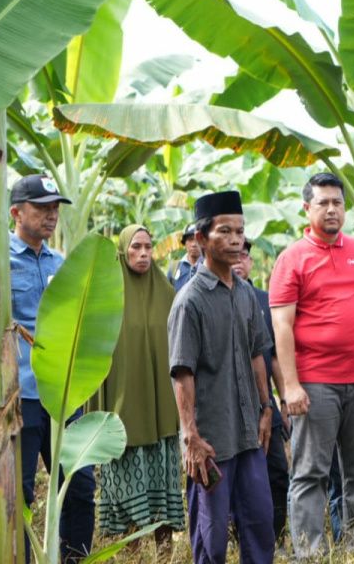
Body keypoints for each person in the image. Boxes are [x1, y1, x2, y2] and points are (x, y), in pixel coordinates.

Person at [270, 173, 354, 559]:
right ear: (307, 208)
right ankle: (310, 553)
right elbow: (282, 326)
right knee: (310, 473)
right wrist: (290, 386)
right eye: (323, 202)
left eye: (337, 202)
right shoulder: (292, 258)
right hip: (315, 383)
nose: (332, 209)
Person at [167, 190, 275, 564]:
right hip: (211, 439)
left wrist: (266, 407)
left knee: (260, 524)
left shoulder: (245, 293)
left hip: (248, 432)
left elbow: (257, 353)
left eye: (240, 232)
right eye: (225, 231)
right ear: (201, 238)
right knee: (211, 540)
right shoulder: (190, 301)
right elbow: (182, 372)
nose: (235, 240)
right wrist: (190, 435)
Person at [10, 173, 95, 563]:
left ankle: (74, 558)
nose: (51, 215)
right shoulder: (1, 260)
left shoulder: (62, 264)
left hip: (62, 394)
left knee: (79, 485)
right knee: (22, 492)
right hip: (22, 393)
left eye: (55, 208)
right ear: (16, 212)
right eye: (42, 208)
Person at [91, 225, 184, 553]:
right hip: (124, 415)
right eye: (136, 247)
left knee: (162, 490)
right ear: (122, 251)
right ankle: (130, 556)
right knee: (128, 495)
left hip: (162, 415)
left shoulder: (167, 292)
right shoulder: (108, 294)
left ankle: (164, 556)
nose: (144, 254)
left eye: (148, 247)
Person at [233, 239, 291, 549]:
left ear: (250, 262)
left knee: (277, 473)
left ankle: (277, 537)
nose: (239, 260)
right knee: (240, 477)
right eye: (235, 254)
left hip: (265, 402)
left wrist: (283, 398)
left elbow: (274, 356)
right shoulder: (214, 298)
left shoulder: (264, 301)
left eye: (244, 255)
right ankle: (241, 540)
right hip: (231, 406)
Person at [168, 223, 201, 292]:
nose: (194, 244)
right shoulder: (174, 268)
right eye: (190, 239)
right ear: (185, 243)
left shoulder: (210, 267)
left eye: (197, 240)